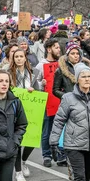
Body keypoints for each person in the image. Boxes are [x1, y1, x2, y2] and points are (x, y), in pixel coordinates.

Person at [34, 39, 65, 167]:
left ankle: (60, 153)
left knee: (60, 129)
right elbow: (34, 83)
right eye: (56, 47)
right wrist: (42, 84)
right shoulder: (40, 65)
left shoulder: (62, 64)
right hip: (47, 102)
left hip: (61, 101)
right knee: (47, 130)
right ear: (48, 49)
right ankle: (46, 155)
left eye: (59, 47)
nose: (59, 49)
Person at [9, 48, 35, 181]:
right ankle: (18, 171)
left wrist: (37, 88)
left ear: (25, 58)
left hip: (30, 109)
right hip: (14, 110)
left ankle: (24, 161)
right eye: (16, 56)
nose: (19, 58)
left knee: (32, 140)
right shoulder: (9, 73)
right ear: (13, 59)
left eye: (21, 56)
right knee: (18, 141)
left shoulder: (32, 73)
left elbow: (37, 90)